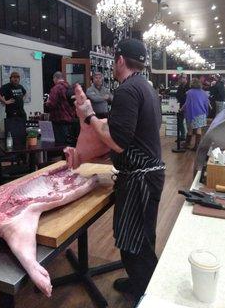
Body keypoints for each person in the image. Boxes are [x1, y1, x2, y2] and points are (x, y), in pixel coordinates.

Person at [74, 39, 165, 304]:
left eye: (114, 61)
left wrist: (90, 116)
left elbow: (118, 141)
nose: (113, 66)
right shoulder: (146, 87)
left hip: (140, 179)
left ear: (120, 60)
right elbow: (132, 133)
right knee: (142, 238)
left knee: (133, 244)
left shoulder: (126, 90)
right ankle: (139, 282)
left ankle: (147, 294)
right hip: (148, 175)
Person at [46, 71, 75, 144]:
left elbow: (52, 104)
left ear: (55, 78)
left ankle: (61, 155)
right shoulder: (69, 87)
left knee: (60, 143)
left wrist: (47, 103)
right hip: (70, 118)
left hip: (59, 119)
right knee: (68, 142)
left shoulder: (56, 88)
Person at [181, 78, 209, 151]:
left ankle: (187, 144)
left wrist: (181, 109)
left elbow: (187, 103)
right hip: (201, 112)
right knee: (198, 130)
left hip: (191, 113)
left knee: (190, 129)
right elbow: (206, 103)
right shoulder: (204, 92)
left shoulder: (189, 92)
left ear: (192, 84)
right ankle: (197, 146)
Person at [176, 74, 189, 141]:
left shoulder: (189, 86)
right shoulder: (180, 86)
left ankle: (188, 138)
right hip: (181, 106)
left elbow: (188, 97)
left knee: (188, 123)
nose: (181, 79)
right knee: (179, 121)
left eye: (183, 78)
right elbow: (178, 95)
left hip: (188, 107)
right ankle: (182, 136)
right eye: (180, 78)